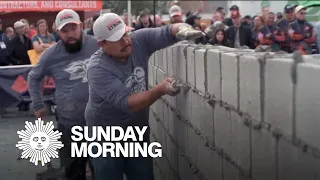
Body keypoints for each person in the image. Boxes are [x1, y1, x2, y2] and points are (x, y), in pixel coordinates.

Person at [85, 12, 204, 180]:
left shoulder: (137, 40)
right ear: (102, 44)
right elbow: (129, 104)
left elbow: (166, 32)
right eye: (118, 39)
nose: (126, 41)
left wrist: (182, 28)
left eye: (125, 34)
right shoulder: (97, 68)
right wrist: (160, 89)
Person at [27, 9, 99, 180]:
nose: (70, 34)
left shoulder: (98, 45)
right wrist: (38, 104)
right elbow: (33, 78)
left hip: (101, 123)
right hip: (69, 126)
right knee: (74, 173)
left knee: (105, 172)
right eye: (64, 31)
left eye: (73, 29)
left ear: (81, 26)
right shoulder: (51, 55)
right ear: (57, 32)